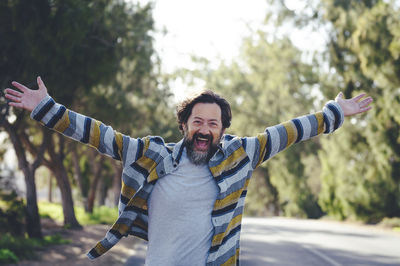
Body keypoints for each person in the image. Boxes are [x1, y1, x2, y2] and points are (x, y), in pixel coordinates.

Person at [4, 77, 372, 266]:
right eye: (198, 121)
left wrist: (334, 113)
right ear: (184, 125)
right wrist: (46, 108)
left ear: (223, 130)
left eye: (213, 124)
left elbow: (288, 131)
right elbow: (102, 136)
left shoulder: (240, 156)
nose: (205, 129)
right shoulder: (152, 156)